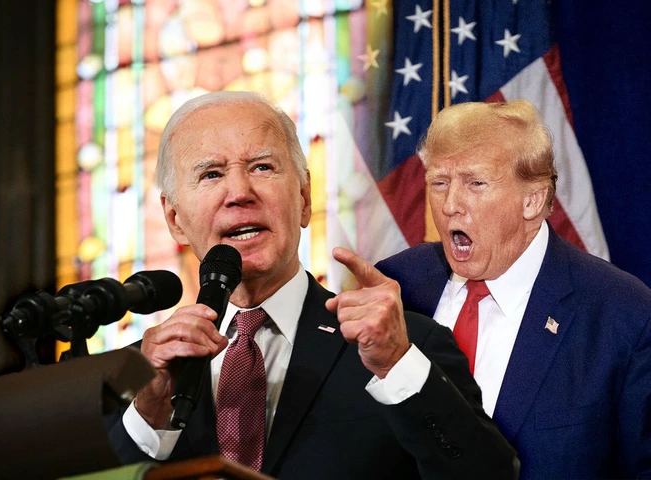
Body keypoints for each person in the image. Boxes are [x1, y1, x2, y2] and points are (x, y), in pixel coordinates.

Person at [106, 91, 518, 478]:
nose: (240, 192)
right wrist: (147, 418)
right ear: (175, 219)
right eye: (211, 174)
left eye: (262, 167)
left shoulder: (404, 345)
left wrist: (396, 365)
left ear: (303, 197)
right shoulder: (130, 379)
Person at [376, 100, 651, 479]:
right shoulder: (398, 284)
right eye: (439, 183)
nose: (450, 205)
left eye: (475, 183)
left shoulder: (623, 316)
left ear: (532, 200)